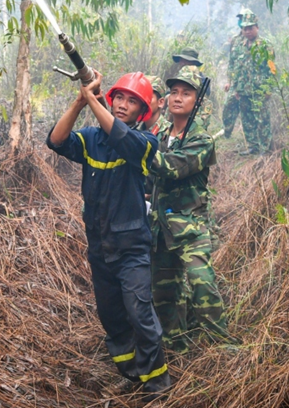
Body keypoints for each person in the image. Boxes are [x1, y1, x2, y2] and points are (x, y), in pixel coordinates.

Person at [46, 71, 171, 397]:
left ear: (142, 111)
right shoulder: (91, 139)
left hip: (132, 249)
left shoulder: (144, 142)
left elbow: (122, 137)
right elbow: (56, 141)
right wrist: (79, 100)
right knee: (111, 315)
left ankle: (156, 383)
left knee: (139, 313)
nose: (123, 105)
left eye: (133, 101)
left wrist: (93, 100)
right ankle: (130, 372)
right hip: (100, 247)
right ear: (111, 98)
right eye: (120, 97)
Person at [149, 66, 230, 354]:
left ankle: (221, 345)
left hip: (190, 227)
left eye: (186, 93)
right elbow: (149, 180)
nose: (177, 98)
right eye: (173, 92)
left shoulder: (201, 140)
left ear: (197, 101)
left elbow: (170, 168)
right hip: (161, 229)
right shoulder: (160, 137)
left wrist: (136, 147)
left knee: (201, 283)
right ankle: (176, 346)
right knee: (165, 292)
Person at [222, 8, 277, 155]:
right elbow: (233, 65)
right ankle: (253, 147)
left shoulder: (265, 45)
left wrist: (268, 89)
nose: (247, 31)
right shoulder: (238, 45)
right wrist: (232, 84)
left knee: (262, 120)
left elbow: (271, 69)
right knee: (247, 119)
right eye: (244, 28)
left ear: (257, 27)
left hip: (259, 90)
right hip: (242, 90)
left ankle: (266, 150)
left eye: (250, 28)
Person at [168, 47, 212, 129]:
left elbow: (204, 101)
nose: (181, 63)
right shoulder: (178, 77)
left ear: (192, 62)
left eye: (184, 60)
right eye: (181, 60)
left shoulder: (202, 80)